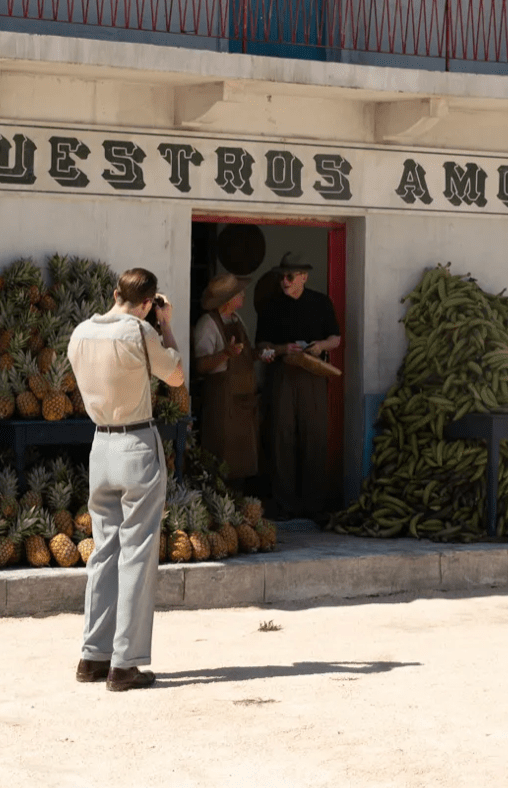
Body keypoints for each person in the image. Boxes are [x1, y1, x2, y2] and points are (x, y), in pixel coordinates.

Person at [67, 267, 184, 692]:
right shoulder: (139, 331)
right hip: (136, 442)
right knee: (136, 554)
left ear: (115, 293)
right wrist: (166, 325)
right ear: (149, 302)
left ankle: (92, 655)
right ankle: (125, 663)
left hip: (100, 445)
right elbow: (175, 375)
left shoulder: (80, 332)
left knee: (104, 552)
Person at [254, 253, 341, 524]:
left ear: (304, 276)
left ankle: (313, 504)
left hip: (313, 374)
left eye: (290, 276)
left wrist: (318, 347)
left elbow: (335, 339)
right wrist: (282, 349)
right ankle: (284, 504)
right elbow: (261, 347)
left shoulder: (321, 303)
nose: (285, 281)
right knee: (282, 437)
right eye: (282, 276)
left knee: (314, 435)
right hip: (282, 374)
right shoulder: (270, 306)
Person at [193, 273, 263, 487]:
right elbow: (200, 365)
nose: (243, 295)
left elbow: (246, 353)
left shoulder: (236, 320)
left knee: (243, 461)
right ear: (227, 300)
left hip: (243, 402)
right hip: (222, 403)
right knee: (222, 460)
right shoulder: (207, 324)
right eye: (238, 293)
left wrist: (259, 354)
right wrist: (226, 354)